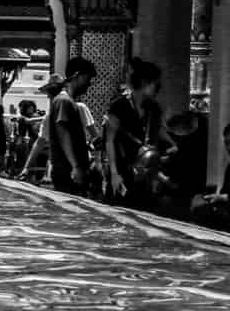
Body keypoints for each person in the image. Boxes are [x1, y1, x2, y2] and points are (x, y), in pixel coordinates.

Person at [103, 59, 169, 208]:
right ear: (144, 82)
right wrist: (114, 173)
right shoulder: (119, 106)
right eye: (154, 83)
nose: (157, 88)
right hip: (122, 171)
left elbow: (155, 140)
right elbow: (109, 141)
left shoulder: (154, 108)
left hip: (144, 174)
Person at [48, 59, 97, 194]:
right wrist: (75, 166)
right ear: (77, 76)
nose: (89, 83)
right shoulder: (63, 101)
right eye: (87, 78)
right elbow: (63, 133)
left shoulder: (69, 102)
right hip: (67, 171)